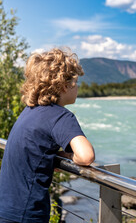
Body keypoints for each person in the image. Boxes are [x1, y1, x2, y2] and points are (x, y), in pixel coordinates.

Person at [0, 48, 95, 223]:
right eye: (76, 81)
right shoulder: (60, 115)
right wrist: (69, 156)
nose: (78, 87)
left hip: (6, 207)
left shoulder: (29, 111)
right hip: (26, 214)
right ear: (65, 85)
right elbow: (86, 156)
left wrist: (55, 156)